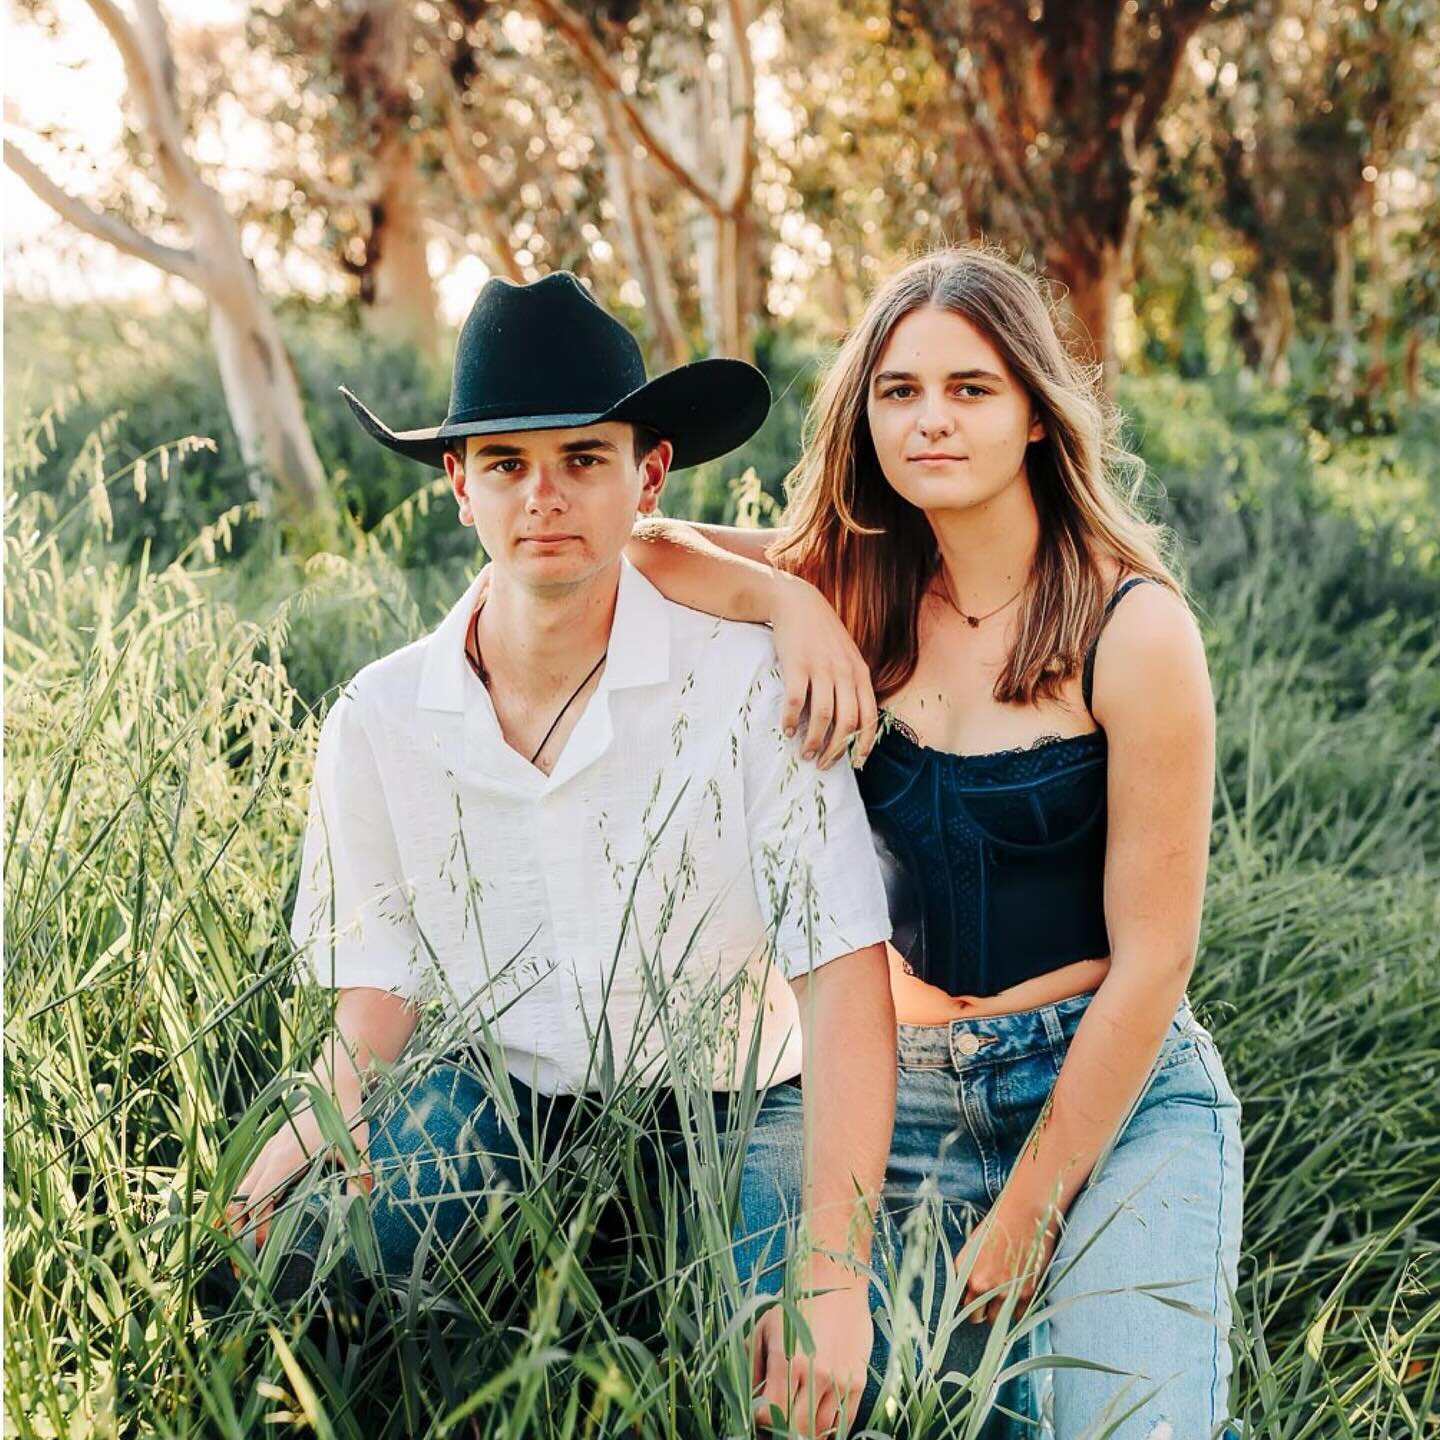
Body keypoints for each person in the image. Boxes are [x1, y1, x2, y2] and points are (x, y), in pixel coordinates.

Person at [222, 271, 898, 1437]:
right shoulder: (377, 720)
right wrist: (302, 1140)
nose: (545, 497)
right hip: (509, 1088)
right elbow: (375, 1004)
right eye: (506, 465)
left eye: (584, 459)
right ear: (458, 487)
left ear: (648, 476)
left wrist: (832, 1268)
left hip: (744, 1095)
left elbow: (842, 981)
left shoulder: (748, 685)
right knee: (305, 1259)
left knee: (797, 1379)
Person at [607, 246, 1246, 1438]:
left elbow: (1157, 960)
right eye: (899, 392)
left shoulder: (1133, 627)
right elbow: (637, 544)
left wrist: (1030, 1216)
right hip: (892, 1082)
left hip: (1112, 1087)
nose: (931, 420)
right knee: (789, 1398)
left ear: (1037, 419)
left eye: (971, 388)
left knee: (1126, 1428)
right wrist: (789, 599)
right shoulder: (857, 585)